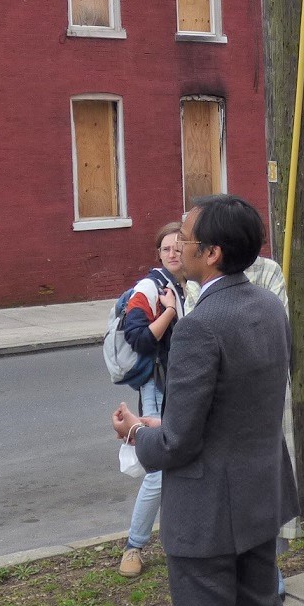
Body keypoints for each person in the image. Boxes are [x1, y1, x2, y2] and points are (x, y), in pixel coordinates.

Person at [111, 195, 302, 606]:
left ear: (212, 252)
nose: (179, 243)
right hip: (260, 497)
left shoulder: (200, 324)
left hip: (206, 513)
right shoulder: (269, 306)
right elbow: (244, 405)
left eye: (188, 235)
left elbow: (181, 440)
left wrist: (138, 433)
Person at [119, 223, 188, 578]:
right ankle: (134, 546)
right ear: (158, 255)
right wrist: (170, 312)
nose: (174, 253)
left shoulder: (189, 287)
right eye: (166, 249)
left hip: (187, 386)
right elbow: (138, 339)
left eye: (179, 246)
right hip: (159, 387)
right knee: (158, 470)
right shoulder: (150, 288)